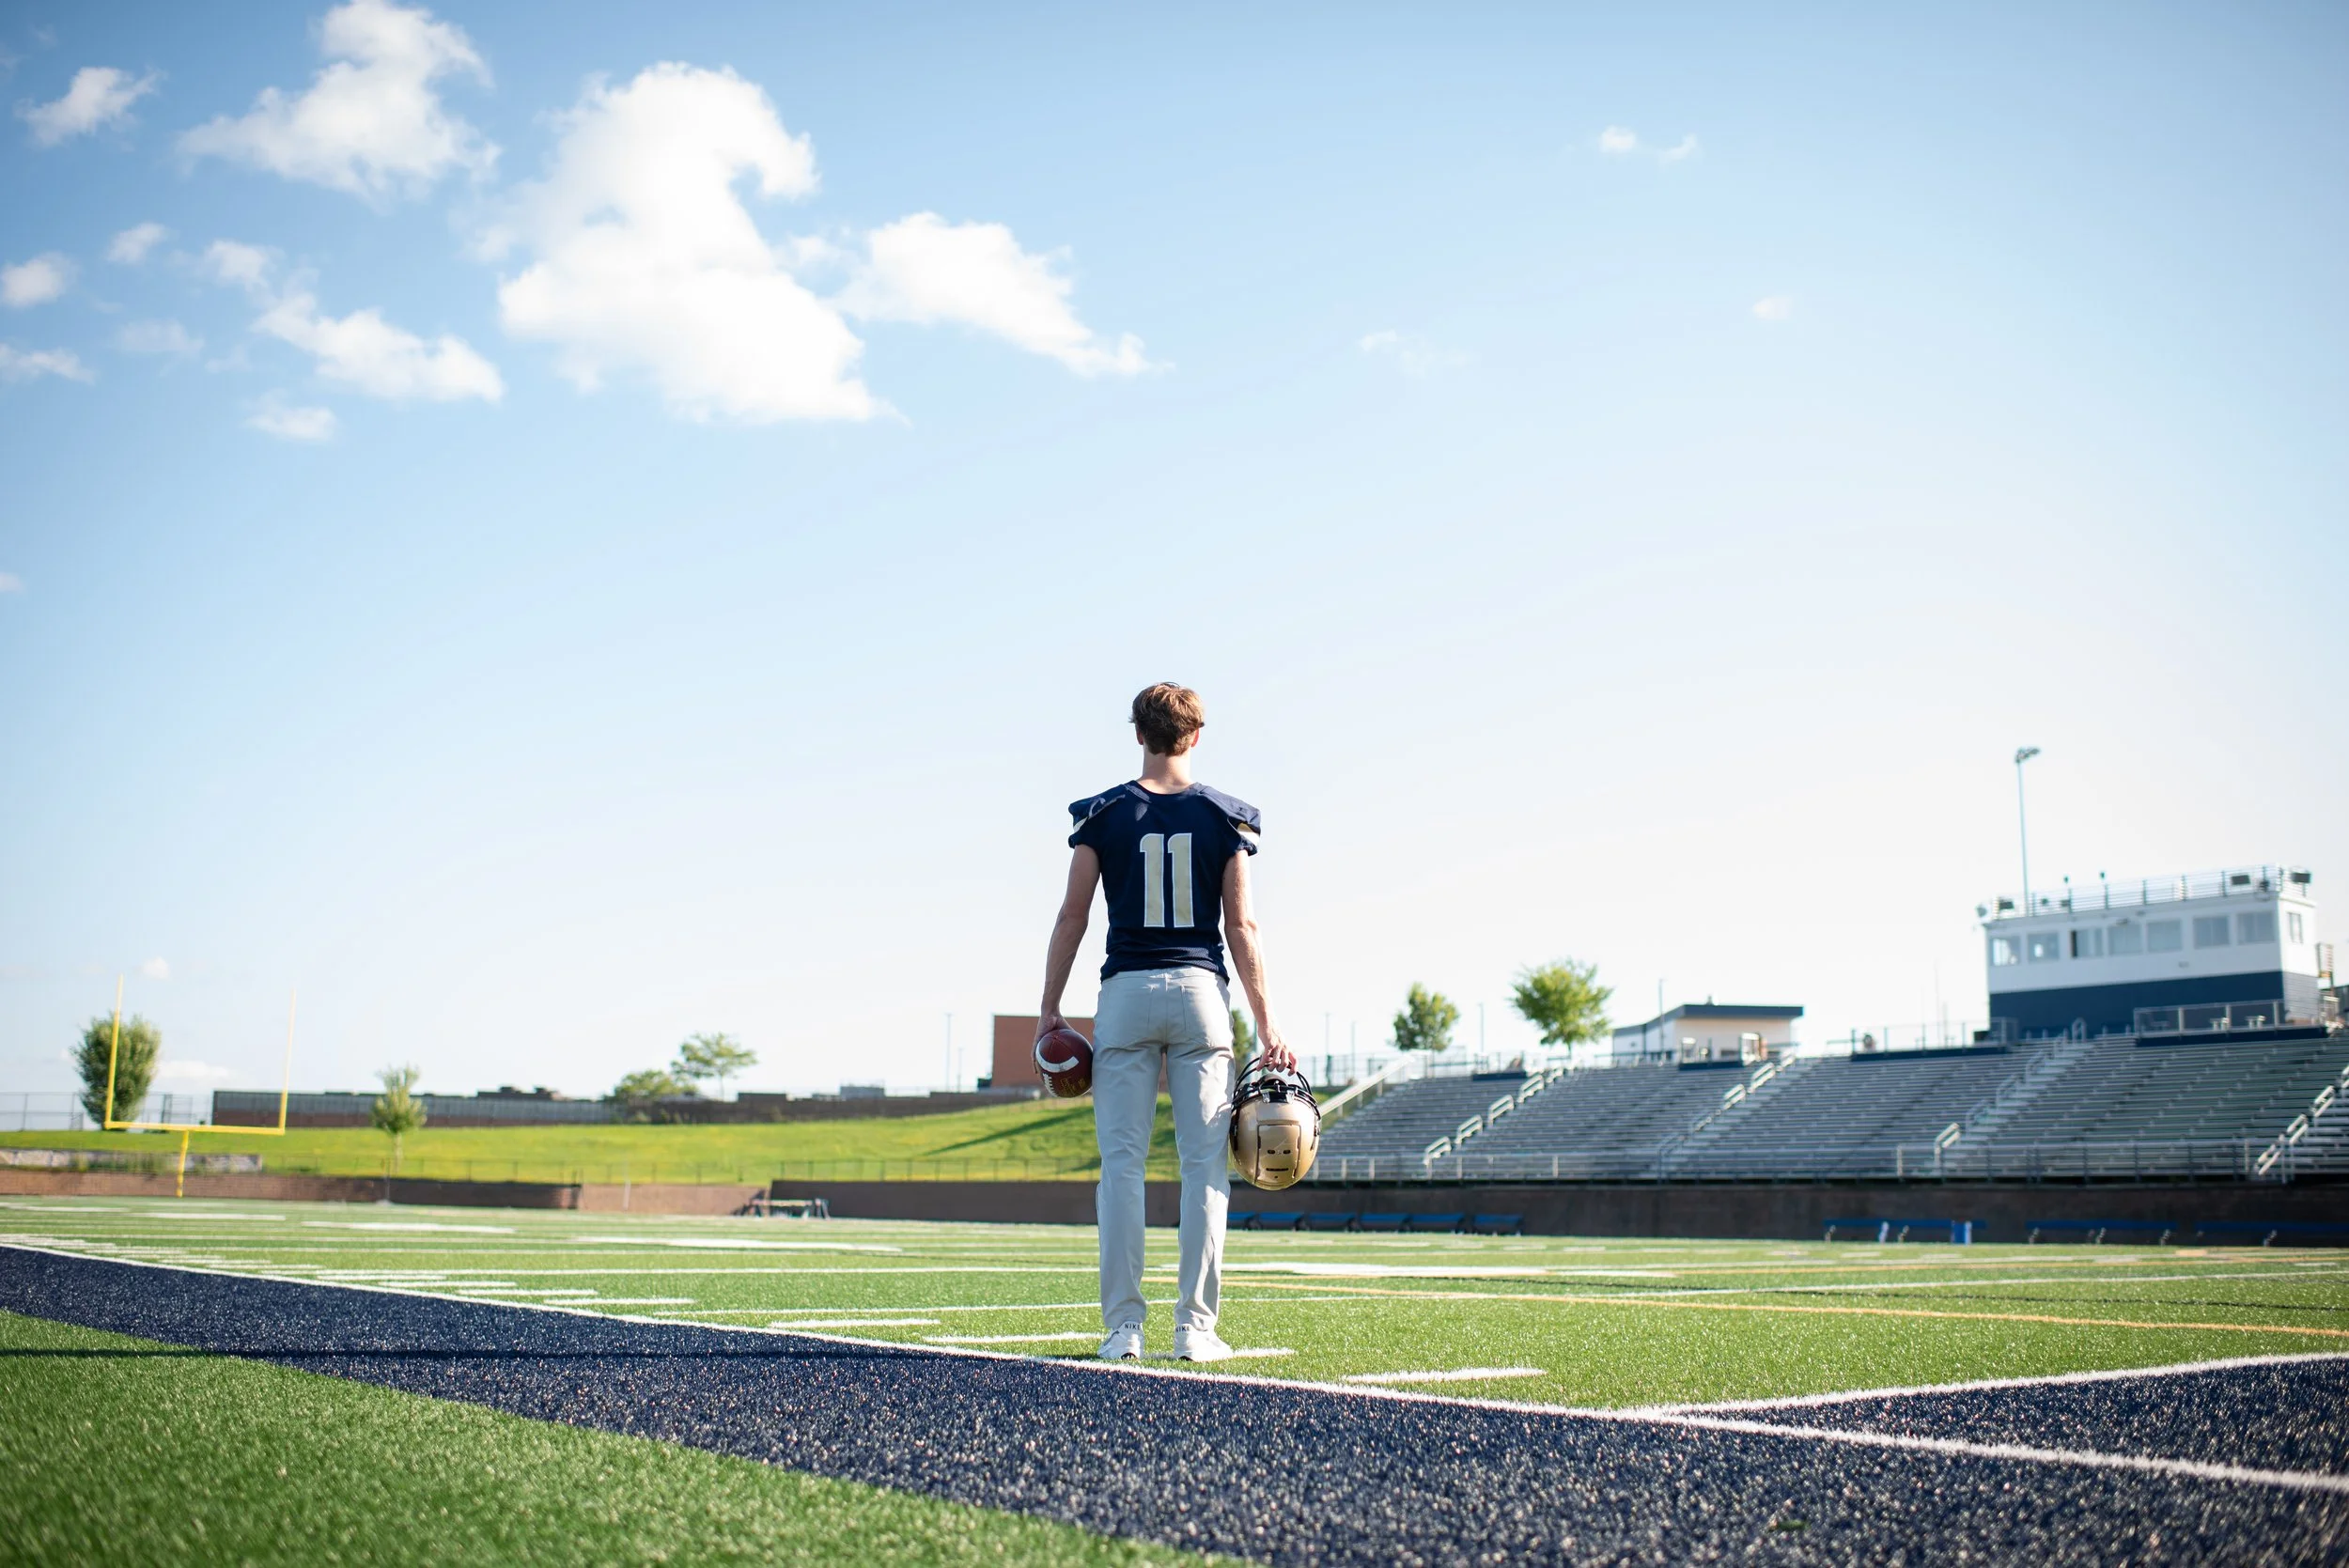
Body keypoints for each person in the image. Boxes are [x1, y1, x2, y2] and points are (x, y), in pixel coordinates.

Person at [1036, 682, 1292, 1363]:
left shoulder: (1104, 813)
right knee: (1204, 1166)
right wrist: (1268, 1025)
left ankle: (1123, 1327)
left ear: (1138, 733)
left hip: (1125, 991)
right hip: (1199, 994)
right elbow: (1242, 926)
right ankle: (1195, 1327)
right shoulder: (1223, 817)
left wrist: (1048, 1009)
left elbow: (1072, 917)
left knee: (1120, 1166)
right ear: (1197, 735)